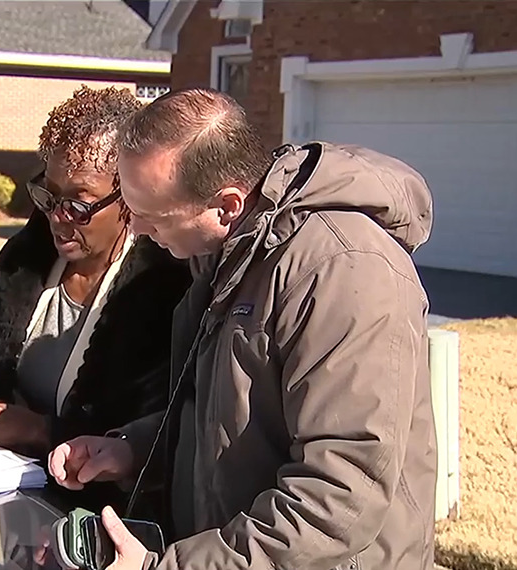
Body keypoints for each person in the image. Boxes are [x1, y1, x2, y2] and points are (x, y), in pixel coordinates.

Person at [47, 88, 438, 570]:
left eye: (149, 216)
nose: (138, 230)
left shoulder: (343, 271)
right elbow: (223, 415)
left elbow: (337, 496)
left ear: (226, 205)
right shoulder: (230, 252)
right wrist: (132, 448)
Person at [0, 86, 191, 511]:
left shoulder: (162, 289)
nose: (58, 218)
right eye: (49, 195)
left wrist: (36, 429)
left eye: (80, 204)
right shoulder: (24, 260)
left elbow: (153, 431)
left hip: (98, 515)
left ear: (129, 197)